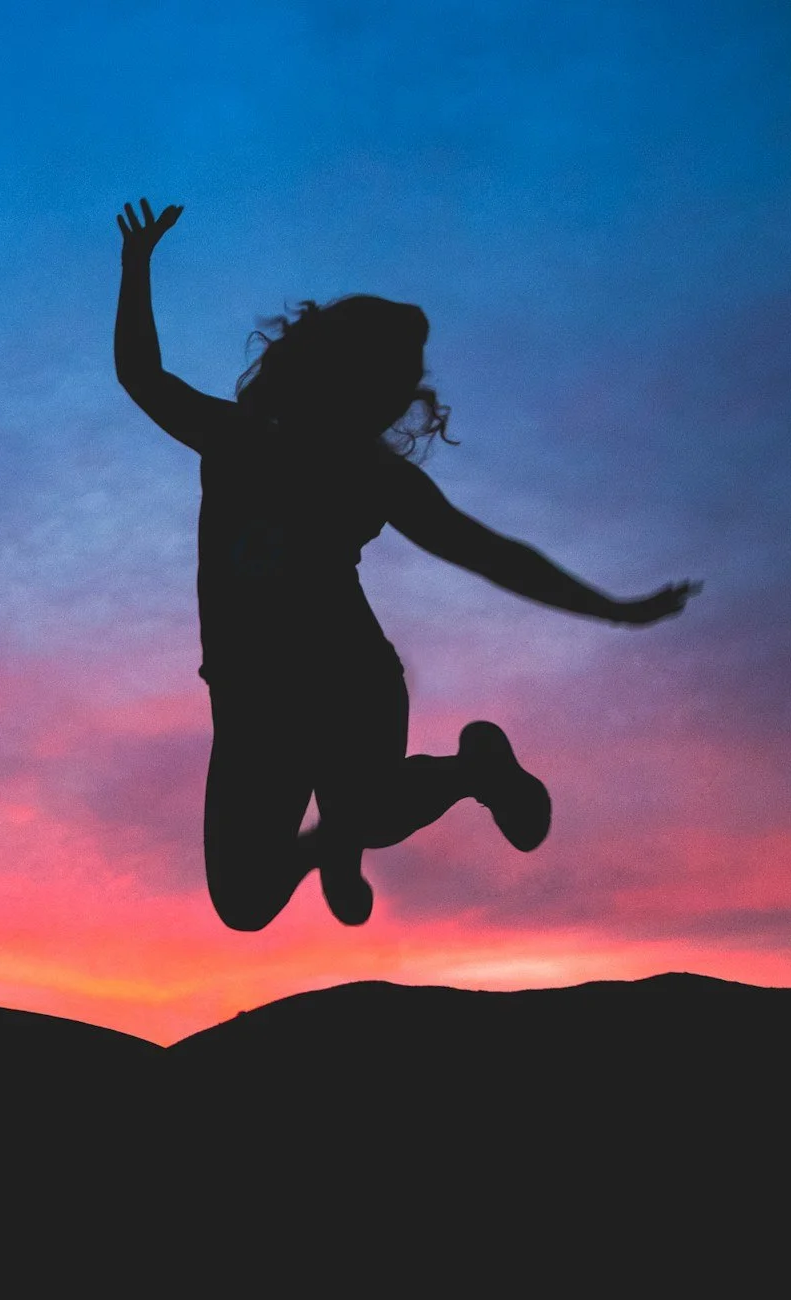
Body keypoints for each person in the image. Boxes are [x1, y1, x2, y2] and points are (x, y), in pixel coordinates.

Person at [113, 199, 697, 928]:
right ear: (336, 374)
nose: (393, 405)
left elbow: (489, 554)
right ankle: (339, 842)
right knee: (244, 900)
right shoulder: (237, 436)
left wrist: (612, 607)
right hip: (248, 695)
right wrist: (136, 265)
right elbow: (141, 375)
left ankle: (460, 779)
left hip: (344, 675)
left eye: (396, 390)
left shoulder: (373, 475)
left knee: (375, 809)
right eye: (386, 385)